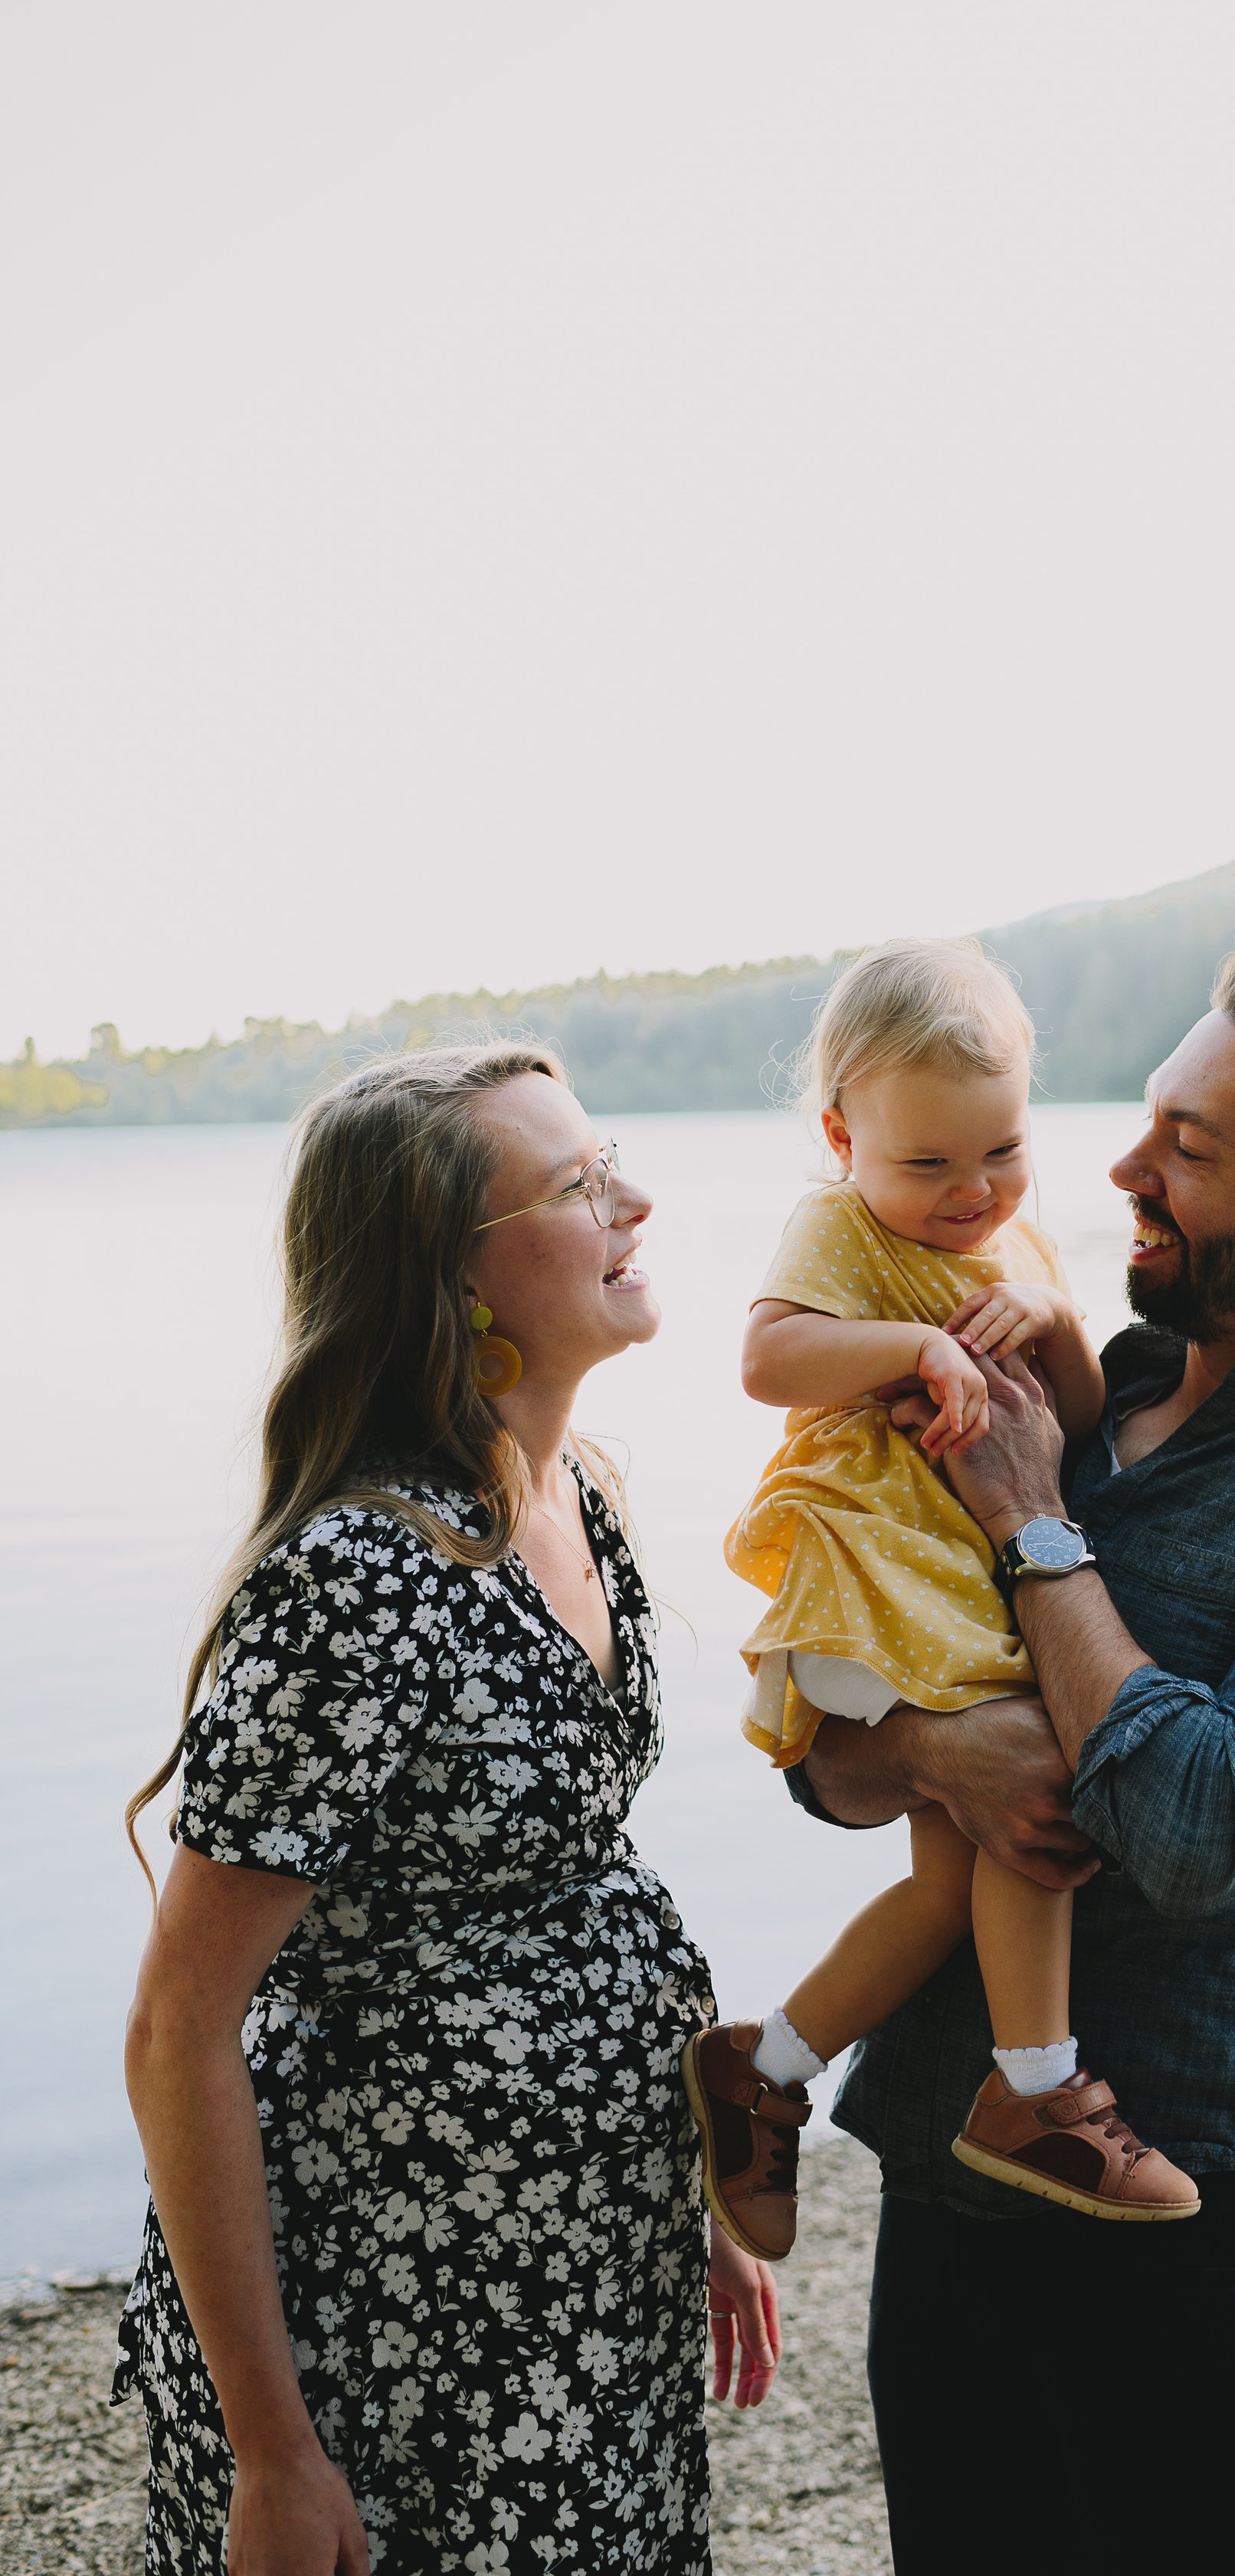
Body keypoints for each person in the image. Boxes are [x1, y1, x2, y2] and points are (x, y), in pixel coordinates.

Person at [787, 946, 1235, 2573]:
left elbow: (1195, 1822)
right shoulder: (1063, 1388)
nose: (1117, 1171)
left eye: (1188, 1148)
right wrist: (926, 1739)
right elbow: (824, 1758)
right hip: (947, 2186)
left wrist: (1032, 1530)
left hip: (1200, 2216)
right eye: (1141, 1122)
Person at [116, 1045, 779, 2576]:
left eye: (607, 1155)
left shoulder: (570, 1495)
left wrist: (698, 2197)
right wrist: (277, 2453)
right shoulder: (353, 1585)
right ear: (451, 1278)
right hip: (389, 2317)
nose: (636, 1198)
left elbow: (570, 1902)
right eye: (572, 1186)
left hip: (579, 2282)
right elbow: (179, 2024)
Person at [684, 940, 1197, 2263]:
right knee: (1031, 1811)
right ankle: (1033, 2091)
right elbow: (765, 1357)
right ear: (842, 1134)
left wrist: (1051, 1319)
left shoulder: (1012, 1241)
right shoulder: (838, 1226)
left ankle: (768, 2062)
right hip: (871, 1568)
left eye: (1002, 1152)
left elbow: (1078, 1424)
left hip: (961, 1582)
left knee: (961, 1869)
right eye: (928, 1164)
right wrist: (912, 1344)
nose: (972, 1192)